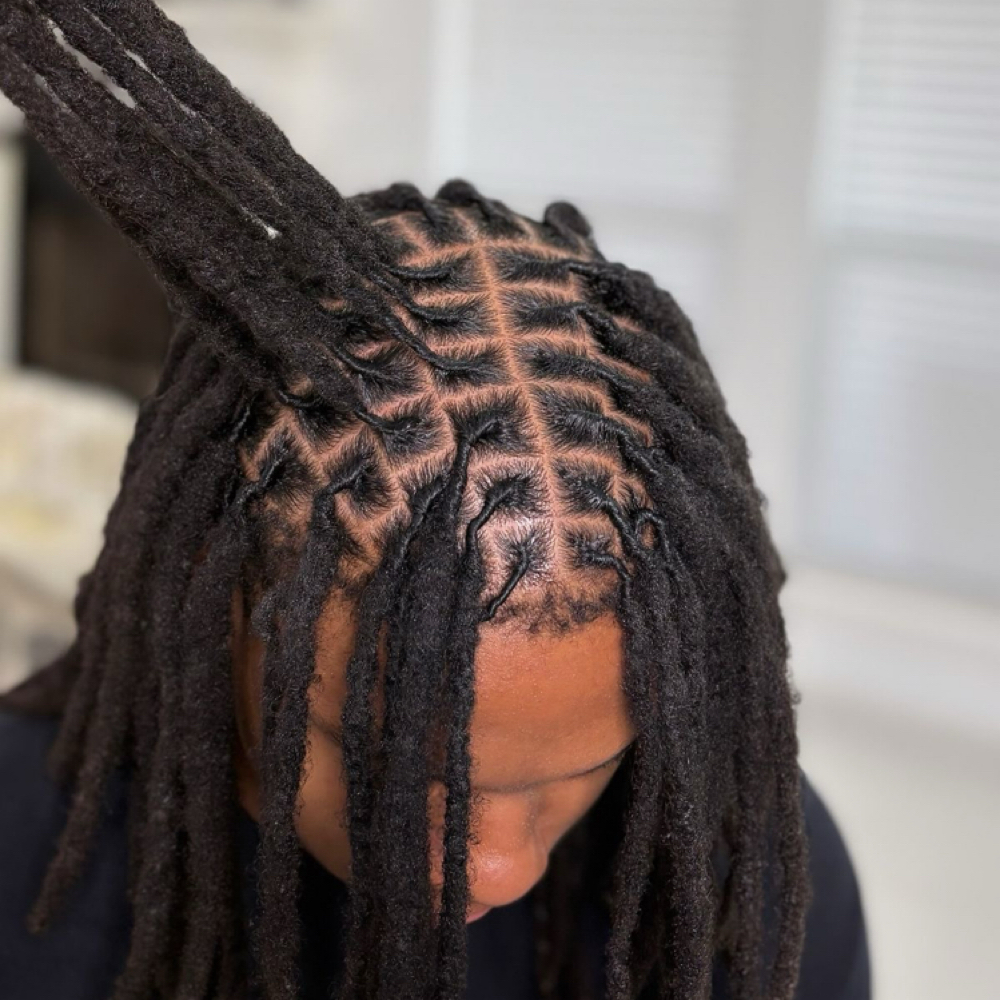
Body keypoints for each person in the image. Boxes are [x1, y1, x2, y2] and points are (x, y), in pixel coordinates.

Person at [0, 2, 870, 999]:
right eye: (405, 770)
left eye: (568, 774)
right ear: (223, 587)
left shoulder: (743, 877)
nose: (500, 865)